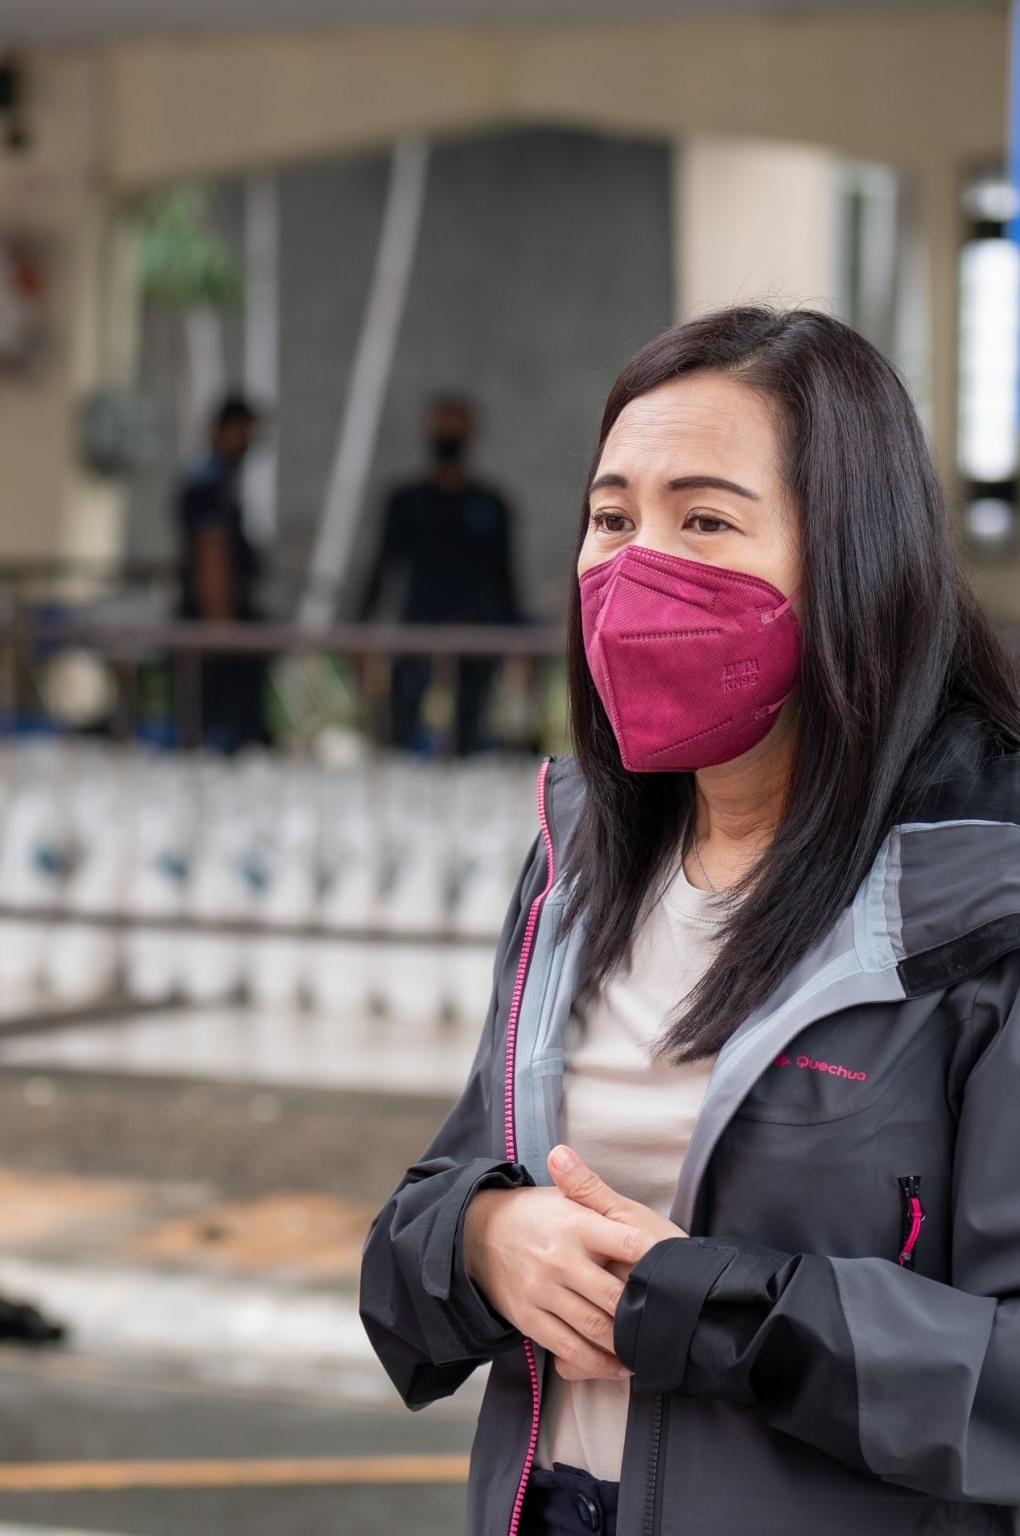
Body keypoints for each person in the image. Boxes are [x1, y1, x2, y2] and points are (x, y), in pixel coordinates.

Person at [361, 307, 1020, 1535]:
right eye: (609, 519)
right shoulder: (580, 863)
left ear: (851, 560)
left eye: (702, 520)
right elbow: (420, 1219)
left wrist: (709, 1309)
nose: (632, 568)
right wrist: (485, 1238)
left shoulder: (982, 897)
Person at [360, 396, 519, 754]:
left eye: (456, 428)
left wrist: (515, 640)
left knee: (470, 737)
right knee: (400, 736)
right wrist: (362, 627)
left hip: (474, 636)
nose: (448, 437)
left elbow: (506, 577)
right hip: (416, 633)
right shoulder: (405, 502)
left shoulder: (490, 505)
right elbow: (383, 568)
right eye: (442, 428)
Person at [175, 392, 268, 751]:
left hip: (221, 620)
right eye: (246, 433)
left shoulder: (221, 482)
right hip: (218, 623)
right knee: (218, 732)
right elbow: (211, 555)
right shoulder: (209, 486)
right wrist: (221, 627)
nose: (249, 444)